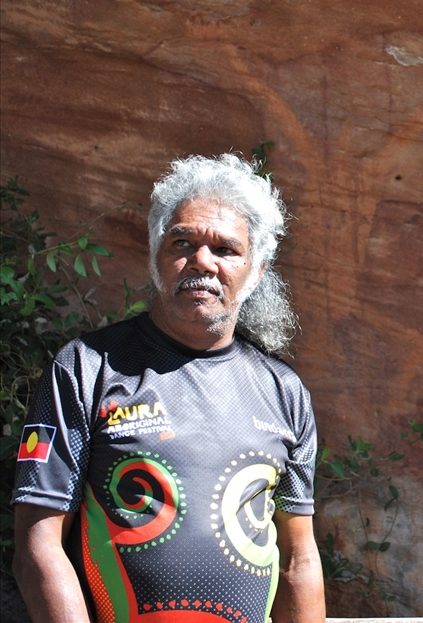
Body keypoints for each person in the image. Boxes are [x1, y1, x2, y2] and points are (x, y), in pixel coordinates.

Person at [12, 154, 326, 623]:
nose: (202, 261)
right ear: (157, 257)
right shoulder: (87, 368)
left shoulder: (284, 392)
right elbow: (38, 544)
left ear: (256, 271)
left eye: (225, 250)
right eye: (182, 242)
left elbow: (299, 560)